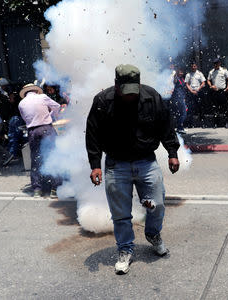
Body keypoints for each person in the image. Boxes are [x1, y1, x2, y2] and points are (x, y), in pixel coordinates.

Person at [86, 64, 180, 275]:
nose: (130, 96)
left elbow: (166, 125)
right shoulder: (102, 101)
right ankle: (125, 249)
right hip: (115, 164)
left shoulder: (151, 97)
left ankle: (153, 234)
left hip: (146, 162)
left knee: (157, 205)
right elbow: (92, 134)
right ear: (116, 84)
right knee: (120, 214)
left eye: (133, 90)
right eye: (125, 91)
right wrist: (95, 165)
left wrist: (172, 152)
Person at [18, 83, 61, 197]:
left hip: (32, 131)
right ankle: (55, 189)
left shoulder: (21, 103)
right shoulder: (42, 97)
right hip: (46, 129)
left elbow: (25, 118)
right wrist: (53, 116)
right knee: (52, 157)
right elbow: (57, 106)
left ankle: (37, 189)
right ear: (36, 91)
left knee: (35, 159)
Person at [207, 58, 228, 128]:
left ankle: (226, 123)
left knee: (225, 108)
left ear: (219, 63)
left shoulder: (224, 70)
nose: (215, 65)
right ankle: (215, 123)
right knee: (215, 109)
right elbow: (208, 80)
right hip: (215, 92)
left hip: (222, 91)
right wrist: (211, 86)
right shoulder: (211, 72)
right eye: (214, 63)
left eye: (217, 63)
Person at [185, 62, 206, 127]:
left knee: (201, 108)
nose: (193, 67)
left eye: (194, 66)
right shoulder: (188, 74)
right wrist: (191, 90)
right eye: (192, 66)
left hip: (198, 92)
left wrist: (198, 89)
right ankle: (190, 124)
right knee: (191, 108)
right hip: (191, 92)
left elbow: (203, 82)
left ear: (196, 66)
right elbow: (187, 84)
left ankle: (202, 123)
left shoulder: (199, 74)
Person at [171, 68, 188, 134]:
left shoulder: (182, 79)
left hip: (181, 97)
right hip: (178, 97)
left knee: (181, 113)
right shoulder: (176, 79)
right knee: (184, 113)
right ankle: (179, 127)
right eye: (180, 72)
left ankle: (180, 127)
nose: (181, 73)